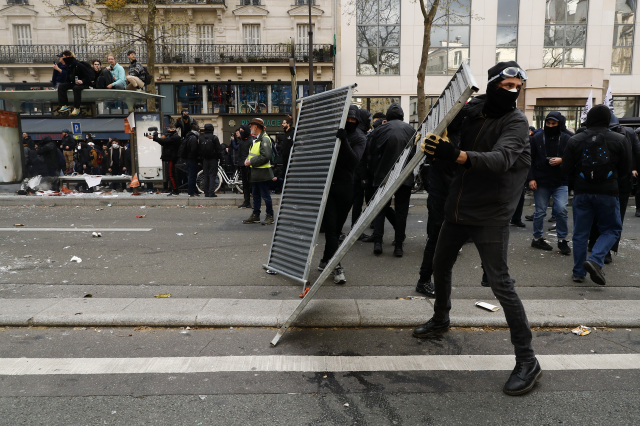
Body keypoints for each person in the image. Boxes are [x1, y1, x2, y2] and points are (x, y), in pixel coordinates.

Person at [414, 62, 540, 396]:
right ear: (493, 84)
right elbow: (448, 140)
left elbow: (500, 160)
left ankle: (528, 361)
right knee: (439, 266)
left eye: (518, 86)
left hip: (491, 212)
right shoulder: (473, 110)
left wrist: (454, 154)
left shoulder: (515, 120)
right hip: (458, 206)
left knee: (500, 283)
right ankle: (441, 318)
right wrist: (437, 144)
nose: (512, 91)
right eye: (506, 85)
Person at [562, 105, 629, 285]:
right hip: (608, 191)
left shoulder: (575, 139)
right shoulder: (620, 139)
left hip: (582, 191)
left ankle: (578, 273)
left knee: (580, 233)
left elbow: (566, 168)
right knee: (612, 229)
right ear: (608, 120)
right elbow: (625, 170)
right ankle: (595, 259)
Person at [316, 105, 366, 283]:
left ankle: (324, 260)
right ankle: (336, 266)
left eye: (354, 119)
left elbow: (354, 161)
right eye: (348, 119)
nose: (350, 122)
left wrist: (344, 141)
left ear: (357, 121)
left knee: (336, 229)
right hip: (329, 187)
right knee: (330, 228)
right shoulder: (334, 133)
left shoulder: (359, 138)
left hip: (347, 187)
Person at [586, 114, 640, 264]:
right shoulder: (624, 134)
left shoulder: (626, 134)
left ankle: (603, 247)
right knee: (608, 218)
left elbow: (635, 154)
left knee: (609, 218)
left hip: (612, 183)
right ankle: (600, 246)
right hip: (609, 182)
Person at [368, 103, 415, 257]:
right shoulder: (411, 130)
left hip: (383, 176)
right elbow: (415, 154)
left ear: (387, 117)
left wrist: (374, 173)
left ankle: (378, 242)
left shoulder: (379, 130)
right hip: (404, 176)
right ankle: (398, 245)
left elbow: (372, 154)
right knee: (402, 212)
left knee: (380, 209)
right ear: (402, 116)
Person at [528, 111, 571, 255]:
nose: (550, 126)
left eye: (554, 124)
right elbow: (530, 160)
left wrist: (562, 160)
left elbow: (574, 158)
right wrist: (531, 178)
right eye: (548, 123)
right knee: (540, 212)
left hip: (560, 180)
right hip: (541, 180)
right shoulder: (537, 138)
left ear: (559, 124)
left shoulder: (567, 138)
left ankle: (562, 239)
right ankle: (537, 237)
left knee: (562, 210)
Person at [353, 112, 385, 241]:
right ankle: (356, 231)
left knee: (358, 203)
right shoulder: (360, 134)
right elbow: (360, 159)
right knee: (357, 203)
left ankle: (356, 229)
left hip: (359, 175)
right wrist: (364, 177)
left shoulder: (359, 132)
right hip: (359, 176)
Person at [243, 118, 275, 224]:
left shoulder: (264, 139)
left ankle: (270, 216)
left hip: (263, 173)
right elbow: (254, 154)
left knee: (265, 196)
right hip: (256, 173)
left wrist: (250, 161)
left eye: (251, 126)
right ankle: (256, 215)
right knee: (256, 195)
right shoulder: (257, 139)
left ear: (255, 127)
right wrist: (248, 160)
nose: (250, 128)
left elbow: (266, 156)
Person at [56, 50, 94, 116]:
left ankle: (76, 107)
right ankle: (64, 105)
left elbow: (90, 76)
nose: (62, 59)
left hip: (85, 84)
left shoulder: (79, 65)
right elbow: (67, 79)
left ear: (68, 57)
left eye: (63, 57)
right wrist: (61, 88)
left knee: (76, 88)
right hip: (74, 83)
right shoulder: (69, 66)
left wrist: (82, 81)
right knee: (61, 86)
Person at [148, 124, 181, 196]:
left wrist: (154, 138)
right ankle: (174, 190)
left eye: (169, 129)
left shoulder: (175, 137)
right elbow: (163, 142)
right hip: (170, 157)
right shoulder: (173, 136)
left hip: (172, 157)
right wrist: (156, 138)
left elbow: (165, 141)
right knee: (171, 174)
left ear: (173, 129)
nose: (167, 131)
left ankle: (175, 190)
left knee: (171, 174)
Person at [199, 123, 222, 198]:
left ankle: (206, 192)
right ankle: (211, 192)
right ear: (212, 129)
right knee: (212, 175)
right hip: (213, 159)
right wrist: (220, 158)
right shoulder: (214, 138)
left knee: (206, 176)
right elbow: (219, 149)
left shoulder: (201, 138)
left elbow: (199, 150)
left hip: (205, 160)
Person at [182, 122, 201, 197]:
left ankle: (194, 190)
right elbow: (194, 150)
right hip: (192, 159)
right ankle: (191, 191)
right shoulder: (193, 138)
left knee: (192, 175)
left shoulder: (189, 136)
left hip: (189, 159)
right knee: (192, 175)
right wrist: (198, 158)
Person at [237, 124, 253, 209]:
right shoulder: (242, 141)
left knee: (251, 184)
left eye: (242, 130)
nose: (240, 132)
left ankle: (253, 202)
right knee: (245, 184)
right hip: (243, 165)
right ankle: (246, 201)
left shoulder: (251, 141)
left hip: (250, 165)